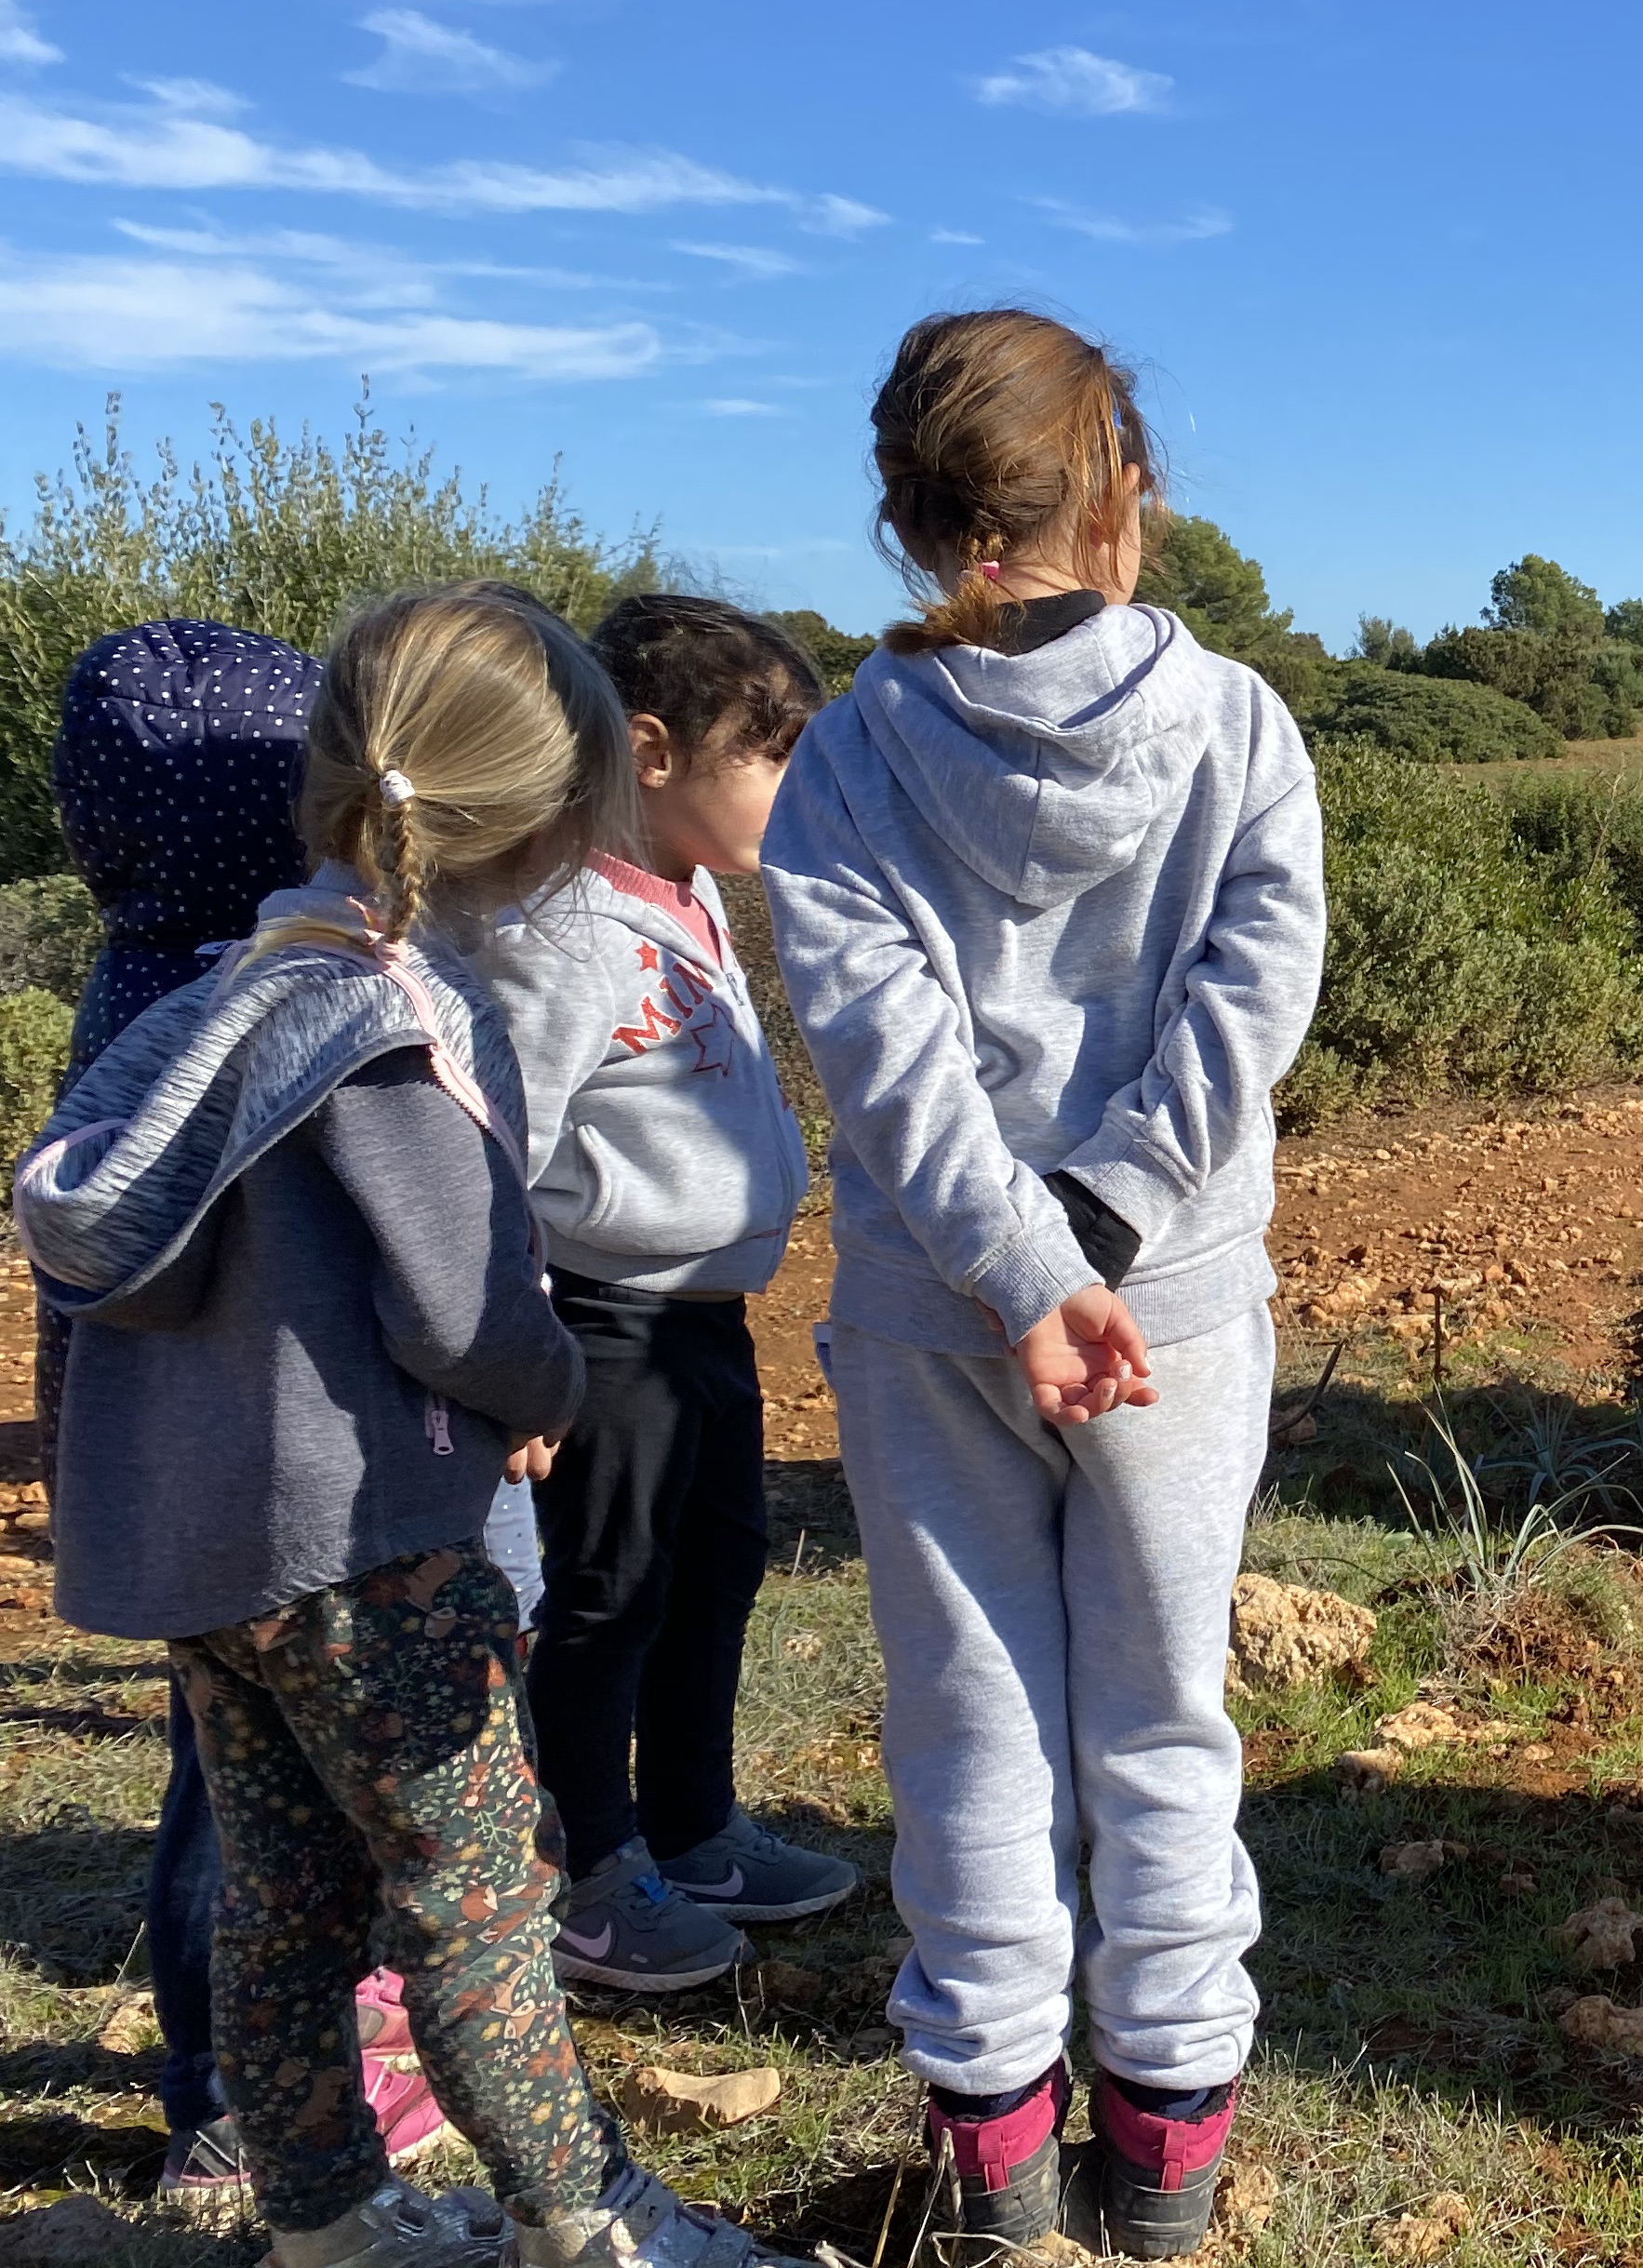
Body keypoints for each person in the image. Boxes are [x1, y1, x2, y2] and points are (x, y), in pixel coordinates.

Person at [16, 585, 774, 2268]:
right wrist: (551, 1389)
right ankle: (590, 2219)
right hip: (370, 1549)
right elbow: (462, 1306)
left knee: (288, 1904)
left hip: (211, 1557)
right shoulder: (394, 1023)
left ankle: (327, 2215)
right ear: (550, 812)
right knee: (481, 1905)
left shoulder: (223, 983)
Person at [762, 312, 1324, 2261]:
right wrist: (1096, 1239)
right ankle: (1166, 2184)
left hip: (938, 1314)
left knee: (967, 1728)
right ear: (1129, 501)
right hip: (1166, 1303)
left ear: (919, 525)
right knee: (1167, 1718)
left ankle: (996, 2187)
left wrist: (1014, 1264)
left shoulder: (842, 756)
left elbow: (878, 1049)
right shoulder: (1243, 729)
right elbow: (1251, 1009)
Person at [35, 620, 501, 2203]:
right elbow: (422, 1269)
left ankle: (237, 2093)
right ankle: (261, 2099)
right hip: (315, 1495)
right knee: (291, 1816)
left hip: (167, 1480)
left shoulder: (135, 999)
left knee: (225, 1793)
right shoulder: (301, 1007)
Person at [476, 595, 850, 1996]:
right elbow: (494, 1154)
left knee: (716, 1568)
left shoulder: (685, 899)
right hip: (601, 1323)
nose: (793, 789)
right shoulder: (556, 928)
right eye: (769, 755)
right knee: (605, 1596)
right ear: (647, 748)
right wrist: (515, 1353)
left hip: (701, 1321)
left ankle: (694, 1828)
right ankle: (591, 1872)